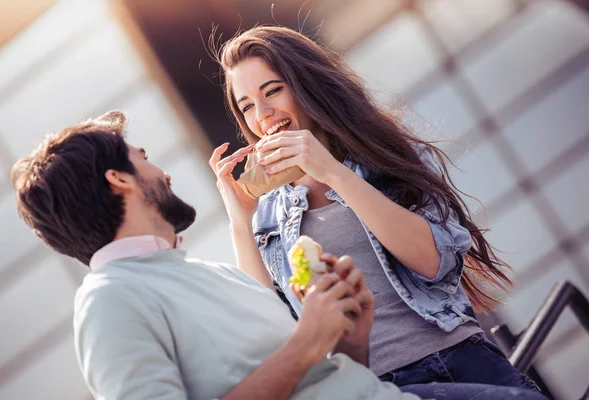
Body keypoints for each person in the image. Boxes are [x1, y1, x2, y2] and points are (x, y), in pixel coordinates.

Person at [210, 26, 545, 399]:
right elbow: (273, 329)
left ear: (305, 85)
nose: (263, 114)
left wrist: (333, 172)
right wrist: (240, 220)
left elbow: (434, 263)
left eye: (272, 91)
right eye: (247, 106)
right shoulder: (267, 211)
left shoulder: (384, 154)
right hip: (371, 391)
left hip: (458, 362)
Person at [11, 111, 413, 400]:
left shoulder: (219, 274)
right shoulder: (108, 301)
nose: (164, 174)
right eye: (145, 158)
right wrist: (307, 341)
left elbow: (321, 382)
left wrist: (348, 337)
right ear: (119, 179)